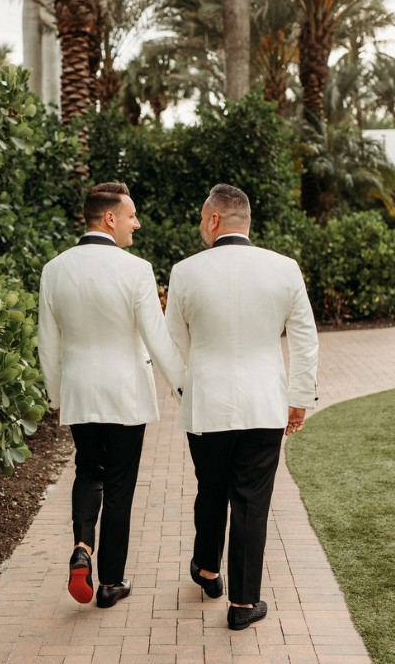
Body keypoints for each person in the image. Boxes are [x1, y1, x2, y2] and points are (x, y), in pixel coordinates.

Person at [165, 183, 318, 632]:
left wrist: (188, 389)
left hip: (206, 403)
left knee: (210, 489)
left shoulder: (185, 271)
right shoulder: (284, 268)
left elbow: (175, 343)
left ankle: (208, 571)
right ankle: (243, 604)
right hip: (263, 405)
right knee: (251, 501)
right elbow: (305, 342)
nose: (199, 225)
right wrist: (299, 400)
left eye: (200, 217)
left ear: (214, 220)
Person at [37, 181, 185, 608]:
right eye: (131, 215)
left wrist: (57, 395)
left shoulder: (54, 269)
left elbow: (48, 343)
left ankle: (83, 545)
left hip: (79, 391)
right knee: (120, 485)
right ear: (109, 218)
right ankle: (111, 582)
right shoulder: (136, 269)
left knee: (88, 469)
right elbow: (157, 339)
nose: (136, 223)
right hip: (126, 393)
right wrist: (184, 389)